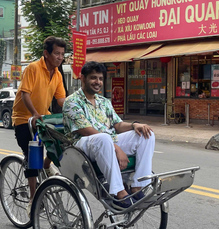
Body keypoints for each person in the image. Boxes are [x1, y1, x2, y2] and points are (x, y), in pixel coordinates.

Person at [63, 61, 155, 209]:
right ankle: (120, 193)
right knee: (103, 138)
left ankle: (138, 186)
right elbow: (85, 129)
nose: (97, 82)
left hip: (107, 141)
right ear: (82, 78)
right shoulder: (72, 101)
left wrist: (134, 125)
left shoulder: (104, 102)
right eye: (93, 78)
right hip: (83, 145)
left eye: (100, 78)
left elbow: (118, 125)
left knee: (146, 134)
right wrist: (117, 149)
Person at [11, 36, 67, 206]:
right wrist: (34, 114)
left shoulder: (57, 74)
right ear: (46, 53)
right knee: (32, 155)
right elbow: (25, 93)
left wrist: (76, 112)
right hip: (23, 118)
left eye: (62, 54)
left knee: (63, 140)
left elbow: (61, 99)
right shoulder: (33, 68)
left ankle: (47, 164)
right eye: (56, 53)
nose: (60, 57)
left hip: (43, 118)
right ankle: (33, 199)